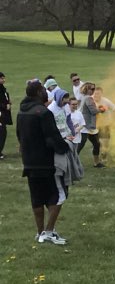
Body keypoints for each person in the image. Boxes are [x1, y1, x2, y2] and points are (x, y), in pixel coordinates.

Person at [17, 80, 72, 244]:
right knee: (58, 196)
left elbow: (20, 136)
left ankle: (40, 232)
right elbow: (52, 138)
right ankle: (48, 232)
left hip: (29, 162)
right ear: (39, 93)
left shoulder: (21, 112)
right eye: (42, 90)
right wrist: (65, 147)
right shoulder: (43, 113)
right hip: (46, 162)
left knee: (37, 198)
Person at [75, 82, 104, 168]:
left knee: (96, 143)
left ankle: (96, 163)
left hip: (86, 125)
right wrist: (101, 110)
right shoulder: (88, 98)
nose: (93, 91)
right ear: (86, 89)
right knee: (81, 145)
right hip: (84, 125)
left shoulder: (85, 97)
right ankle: (72, 162)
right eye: (91, 89)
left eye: (94, 89)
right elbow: (93, 111)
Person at [0, 71, 11, 160]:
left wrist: (8, 102)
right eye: (2, 78)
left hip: (3, 114)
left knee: (3, 132)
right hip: (0, 114)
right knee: (2, 132)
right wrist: (5, 105)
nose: (4, 80)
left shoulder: (2, 88)